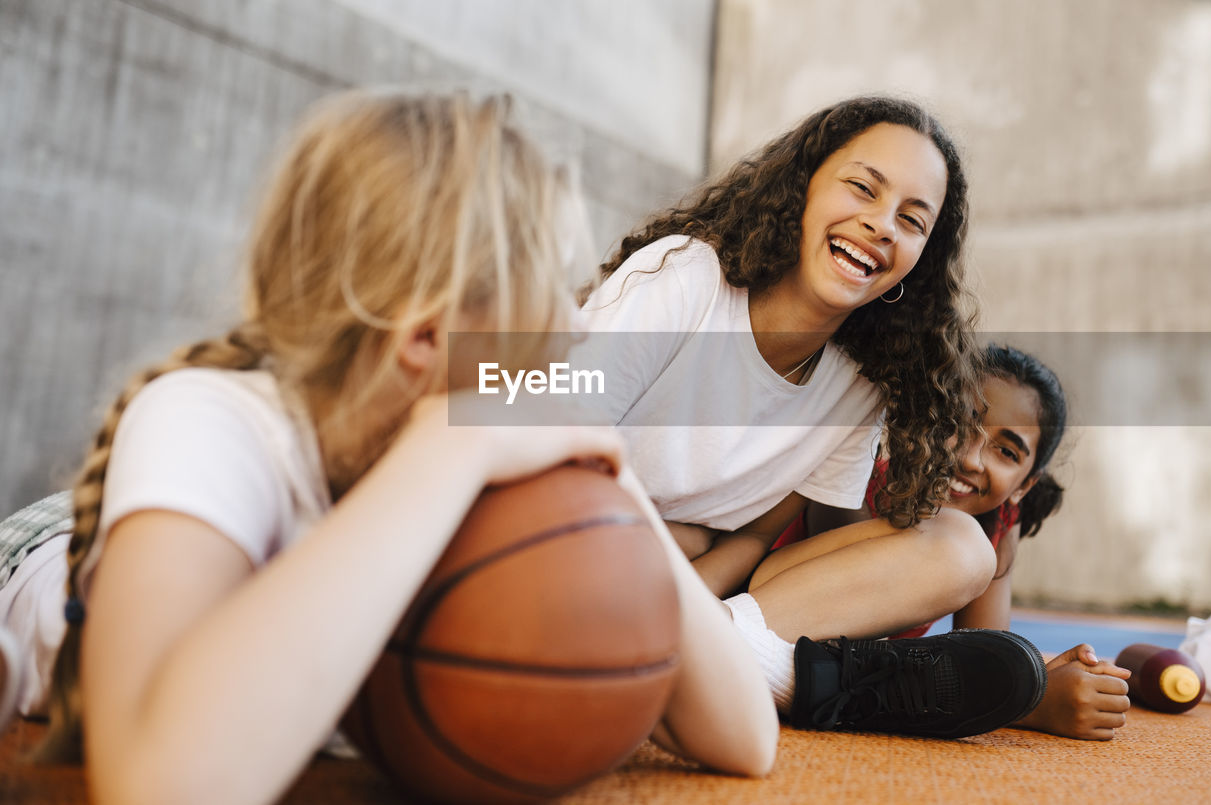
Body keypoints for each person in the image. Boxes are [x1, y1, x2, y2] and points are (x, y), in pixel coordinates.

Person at [0, 90, 778, 802]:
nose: (577, 325)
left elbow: (746, 737)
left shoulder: (502, 447)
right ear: (429, 336)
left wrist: (615, 488)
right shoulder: (212, 424)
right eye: (553, 288)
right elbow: (159, 784)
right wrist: (443, 451)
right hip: (42, 554)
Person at [576, 96, 1047, 738]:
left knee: (963, 549)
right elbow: (559, 442)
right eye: (861, 187)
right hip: (569, 534)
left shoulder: (862, 383)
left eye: (912, 220)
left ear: (921, 258)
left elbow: (754, 542)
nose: (882, 224)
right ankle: (804, 681)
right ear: (802, 186)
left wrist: (694, 608)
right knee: (678, 539)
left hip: (687, 583)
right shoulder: (689, 278)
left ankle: (699, 658)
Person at [743, 344, 1131, 741]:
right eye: (960, 424)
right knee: (962, 547)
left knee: (968, 551)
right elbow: (851, 630)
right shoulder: (863, 476)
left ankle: (757, 666)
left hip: (819, 657)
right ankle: (735, 647)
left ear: (1024, 485)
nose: (972, 459)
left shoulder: (995, 522)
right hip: (765, 601)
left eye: (1006, 451)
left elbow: (986, 649)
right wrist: (1035, 701)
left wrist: (1031, 677)